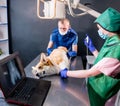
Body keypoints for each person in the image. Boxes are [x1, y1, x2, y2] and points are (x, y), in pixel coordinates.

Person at [60, 7, 120, 106]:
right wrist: (92, 49)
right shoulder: (112, 40)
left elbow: (90, 73)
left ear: (108, 28)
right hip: (97, 86)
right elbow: (103, 63)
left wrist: (66, 73)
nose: (99, 31)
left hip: (102, 91)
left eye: (100, 28)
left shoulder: (117, 49)